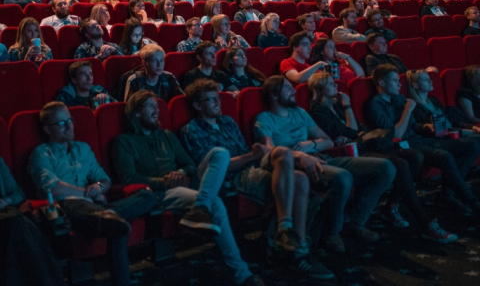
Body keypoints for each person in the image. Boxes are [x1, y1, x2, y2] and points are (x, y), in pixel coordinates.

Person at [181, 79, 332, 280]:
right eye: (211, 100)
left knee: (284, 154)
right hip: (233, 176)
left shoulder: (227, 121)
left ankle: (285, 229)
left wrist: (254, 155)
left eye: (217, 98)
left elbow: (247, 152)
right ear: (197, 105)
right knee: (300, 181)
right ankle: (300, 252)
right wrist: (251, 156)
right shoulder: (192, 130)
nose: (218, 103)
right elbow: (212, 168)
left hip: (251, 165)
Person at [113, 91, 265, 286]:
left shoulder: (166, 135)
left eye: (157, 106)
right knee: (216, 203)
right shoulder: (124, 142)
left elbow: (191, 165)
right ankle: (242, 274)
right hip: (161, 191)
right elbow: (129, 178)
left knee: (220, 152)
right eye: (150, 106)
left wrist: (182, 172)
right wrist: (165, 181)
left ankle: (200, 207)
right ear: (135, 113)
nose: (157, 111)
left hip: (186, 182)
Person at [308, 73, 457, 242]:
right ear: (319, 89)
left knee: (414, 156)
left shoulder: (338, 105)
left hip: (368, 145)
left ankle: (392, 205)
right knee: (400, 164)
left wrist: (355, 124)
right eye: (329, 83)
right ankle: (425, 222)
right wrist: (348, 107)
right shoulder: (320, 110)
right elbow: (350, 132)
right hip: (355, 151)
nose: (335, 85)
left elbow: (359, 128)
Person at [255, 76, 396, 250]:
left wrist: (311, 143)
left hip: (321, 156)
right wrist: (299, 155)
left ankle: (353, 220)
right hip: (297, 165)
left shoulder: (300, 112)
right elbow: (270, 152)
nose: (294, 91)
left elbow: (328, 141)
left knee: (386, 168)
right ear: (274, 95)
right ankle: (332, 233)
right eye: (287, 88)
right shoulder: (265, 118)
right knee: (342, 177)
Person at [29, 101, 157, 286]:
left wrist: (98, 188)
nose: (69, 126)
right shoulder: (41, 153)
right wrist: (87, 193)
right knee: (113, 224)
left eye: (69, 120)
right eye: (61, 123)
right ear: (47, 129)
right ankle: (110, 219)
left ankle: (110, 217)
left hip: (95, 206)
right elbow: (51, 187)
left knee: (147, 195)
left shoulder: (83, 148)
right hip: (68, 207)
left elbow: (104, 180)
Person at [366, 64, 480, 214]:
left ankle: (447, 193)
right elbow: (395, 135)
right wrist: (407, 110)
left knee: (472, 145)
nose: (400, 84)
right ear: (381, 83)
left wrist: (427, 127)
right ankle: (471, 201)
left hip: (419, 139)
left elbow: (414, 126)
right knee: (444, 156)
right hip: (402, 145)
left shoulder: (399, 99)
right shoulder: (375, 105)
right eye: (395, 81)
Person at [0, 155, 65, 286]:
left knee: (22, 225)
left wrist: (6, 200)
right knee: (19, 226)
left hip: (7, 215)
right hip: (9, 221)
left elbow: (17, 193)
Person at [456, 65, 480, 130]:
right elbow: (470, 117)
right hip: (476, 125)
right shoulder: (465, 93)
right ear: (472, 78)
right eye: (479, 74)